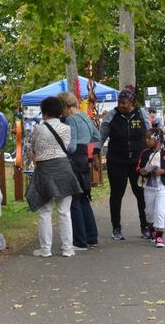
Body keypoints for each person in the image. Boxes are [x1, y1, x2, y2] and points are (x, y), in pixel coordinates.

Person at [26, 97, 83, 257]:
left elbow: (33, 149)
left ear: (43, 111)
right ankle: (68, 249)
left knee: (45, 211)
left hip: (44, 170)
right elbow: (69, 148)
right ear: (59, 111)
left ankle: (45, 249)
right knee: (64, 211)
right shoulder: (67, 129)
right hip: (64, 169)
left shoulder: (38, 129)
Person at [100, 86, 151, 241]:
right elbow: (101, 137)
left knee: (141, 194)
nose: (121, 105)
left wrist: (155, 154)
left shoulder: (141, 114)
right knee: (116, 194)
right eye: (120, 102)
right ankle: (116, 228)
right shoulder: (111, 116)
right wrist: (96, 152)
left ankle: (145, 227)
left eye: (125, 103)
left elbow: (150, 134)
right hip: (117, 161)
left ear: (133, 103)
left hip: (138, 161)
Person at [59, 92, 100, 250]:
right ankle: (92, 237)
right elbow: (97, 136)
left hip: (74, 160)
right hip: (84, 160)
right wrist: (93, 151)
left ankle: (80, 240)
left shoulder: (70, 119)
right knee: (84, 199)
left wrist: (63, 149)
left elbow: (72, 145)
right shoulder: (85, 117)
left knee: (74, 201)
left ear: (65, 106)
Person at [137, 127, 165, 248]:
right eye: (146, 138)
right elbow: (138, 167)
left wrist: (164, 171)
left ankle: (159, 236)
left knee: (160, 211)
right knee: (149, 212)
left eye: (150, 138)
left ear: (157, 139)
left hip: (162, 187)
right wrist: (142, 171)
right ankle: (152, 231)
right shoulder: (144, 153)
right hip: (149, 187)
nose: (147, 141)